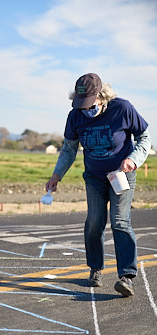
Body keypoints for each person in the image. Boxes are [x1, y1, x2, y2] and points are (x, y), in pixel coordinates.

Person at [46, 73, 151, 297]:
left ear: (101, 96)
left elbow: (144, 137)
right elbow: (68, 149)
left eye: (89, 104)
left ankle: (126, 276)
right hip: (94, 177)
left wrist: (133, 159)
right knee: (94, 222)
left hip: (121, 175)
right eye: (81, 105)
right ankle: (95, 268)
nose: (86, 110)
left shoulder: (122, 109)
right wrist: (56, 175)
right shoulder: (75, 116)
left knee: (120, 221)